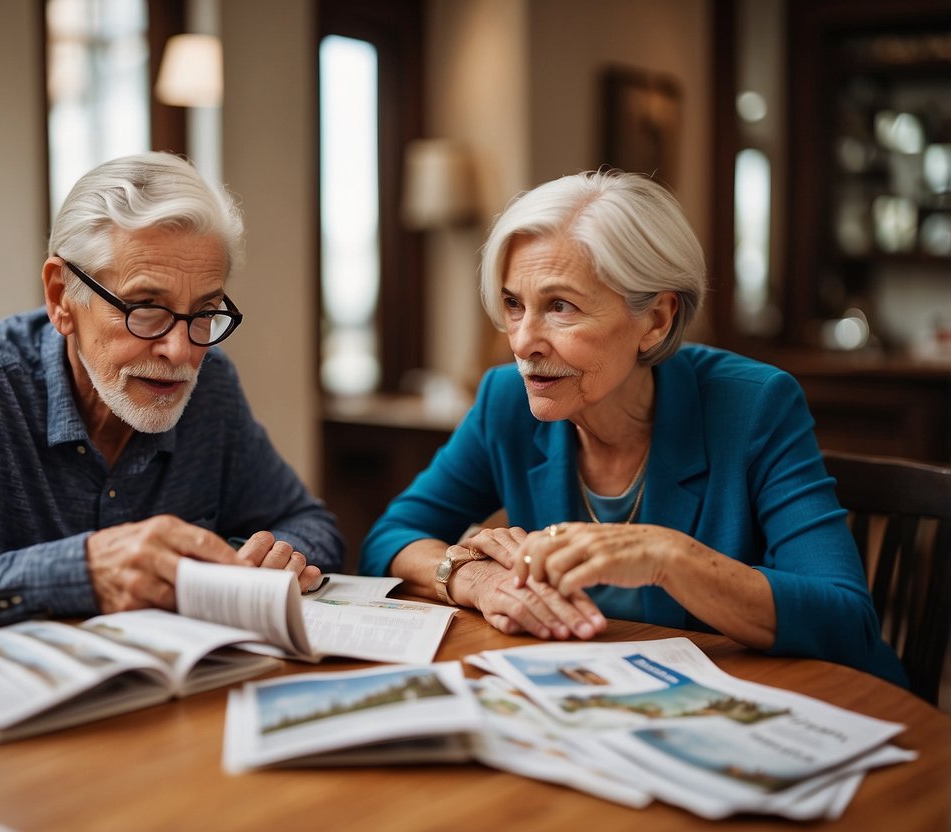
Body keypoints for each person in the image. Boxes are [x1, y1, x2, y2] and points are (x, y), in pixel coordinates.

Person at [359, 170, 905, 686]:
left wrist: (669, 557)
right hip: (598, 702)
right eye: (513, 304)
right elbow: (389, 539)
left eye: (561, 306)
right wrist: (472, 578)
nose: (524, 340)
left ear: (657, 319)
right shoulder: (505, 400)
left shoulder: (755, 405)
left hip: (777, 706)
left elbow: (846, 621)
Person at [0, 152, 344, 652]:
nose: (180, 351)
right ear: (62, 297)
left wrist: (272, 557)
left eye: (204, 312)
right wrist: (82, 572)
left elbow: (309, 521)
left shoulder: (211, 388)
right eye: (144, 307)